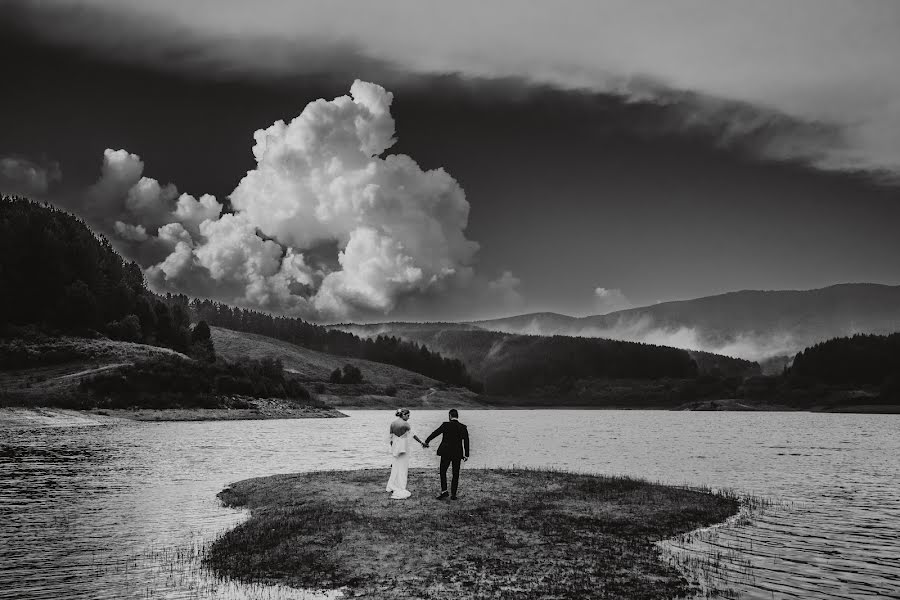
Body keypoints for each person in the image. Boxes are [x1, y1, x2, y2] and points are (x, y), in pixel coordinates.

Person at [424, 409, 470, 500]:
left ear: (449, 416)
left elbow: (435, 433)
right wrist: (466, 454)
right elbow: (466, 441)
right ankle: (453, 494)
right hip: (457, 453)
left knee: (443, 471)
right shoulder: (463, 427)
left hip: (446, 452)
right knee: (455, 473)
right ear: (457, 416)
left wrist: (427, 441)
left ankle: (444, 491)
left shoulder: (445, 425)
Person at [386, 408, 426, 500]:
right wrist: (421, 442)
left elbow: (391, 438)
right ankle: (400, 486)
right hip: (404, 448)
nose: (408, 418)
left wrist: (393, 449)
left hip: (395, 448)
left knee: (396, 466)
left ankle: (392, 485)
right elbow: (413, 435)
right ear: (403, 415)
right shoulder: (405, 424)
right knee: (403, 467)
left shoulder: (393, 424)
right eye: (408, 416)